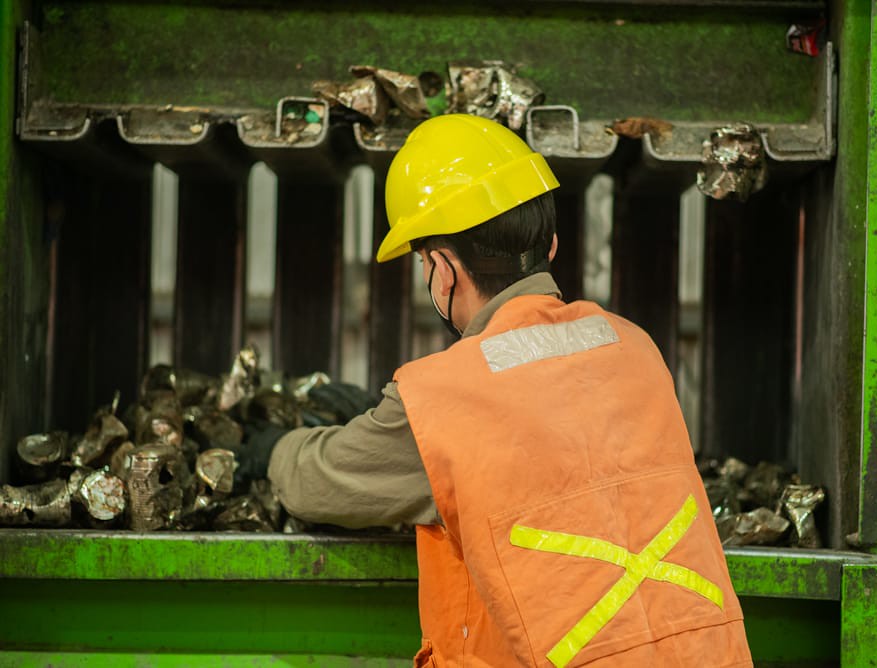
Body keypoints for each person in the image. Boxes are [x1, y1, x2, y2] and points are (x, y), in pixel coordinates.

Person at [260, 114, 753, 667]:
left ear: (443, 270)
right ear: (553, 245)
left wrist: (275, 446)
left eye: (425, 262)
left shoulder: (442, 398)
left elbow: (312, 484)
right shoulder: (636, 348)